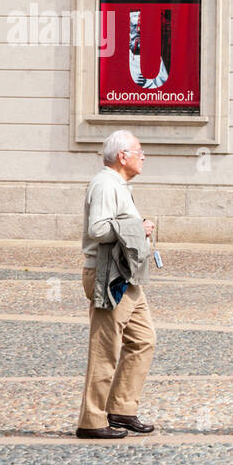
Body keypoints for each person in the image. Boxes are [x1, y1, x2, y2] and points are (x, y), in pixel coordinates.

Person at [77, 130, 157, 440]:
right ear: (122, 156)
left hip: (128, 277)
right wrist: (139, 226)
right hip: (109, 276)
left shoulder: (118, 184)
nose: (143, 157)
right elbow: (98, 229)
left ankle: (122, 407)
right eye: (139, 151)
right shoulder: (104, 183)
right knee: (104, 350)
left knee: (144, 340)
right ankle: (92, 420)